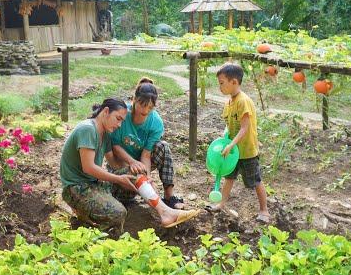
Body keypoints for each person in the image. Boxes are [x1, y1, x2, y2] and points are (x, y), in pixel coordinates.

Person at [60, 97, 200, 234]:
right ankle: (90, 228)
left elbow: (115, 165)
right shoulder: (88, 129)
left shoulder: (106, 134)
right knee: (119, 213)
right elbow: (89, 168)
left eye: (122, 121)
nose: (120, 125)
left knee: (136, 172)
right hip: (76, 189)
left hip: (95, 184)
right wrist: (119, 179)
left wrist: (139, 178)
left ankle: (165, 212)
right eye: (118, 119)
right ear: (106, 112)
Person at [206, 63, 271, 223]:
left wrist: (231, 145)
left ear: (234, 82)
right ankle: (221, 204)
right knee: (229, 177)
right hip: (232, 151)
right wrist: (224, 140)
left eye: (222, 83)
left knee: (255, 180)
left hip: (246, 150)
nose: (220, 87)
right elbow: (230, 127)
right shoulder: (229, 102)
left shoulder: (243, 101)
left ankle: (264, 211)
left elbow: (244, 128)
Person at [108, 77, 186, 209]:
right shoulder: (122, 115)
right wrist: (132, 163)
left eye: (150, 107)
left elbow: (146, 154)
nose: (145, 110)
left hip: (141, 162)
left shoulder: (156, 122)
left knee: (163, 147)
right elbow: (114, 146)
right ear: (134, 99)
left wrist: (147, 176)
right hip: (121, 161)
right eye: (142, 105)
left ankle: (169, 197)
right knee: (124, 197)